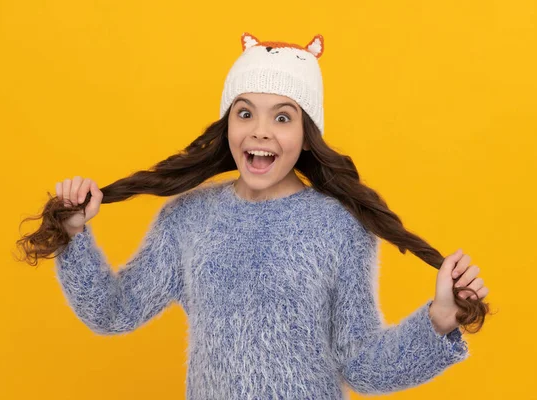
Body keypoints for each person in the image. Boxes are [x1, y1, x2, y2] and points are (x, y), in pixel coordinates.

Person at [34, 32, 491, 399]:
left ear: (308, 135)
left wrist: (437, 322)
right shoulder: (188, 219)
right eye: (245, 112)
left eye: (283, 117)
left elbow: (363, 369)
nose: (260, 131)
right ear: (227, 125)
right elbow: (112, 313)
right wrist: (73, 236)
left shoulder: (340, 228)